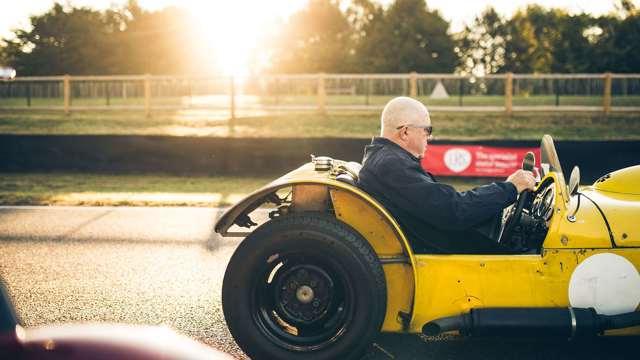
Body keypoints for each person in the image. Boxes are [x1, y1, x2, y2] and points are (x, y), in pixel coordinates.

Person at [357, 97, 536, 254]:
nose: (430, 137)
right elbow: (454, 210)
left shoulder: (384, 160)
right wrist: (510, 188)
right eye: (427, 130)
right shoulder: (391, 164)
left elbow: (445, 205)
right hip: (441, 259)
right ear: (405, 132)